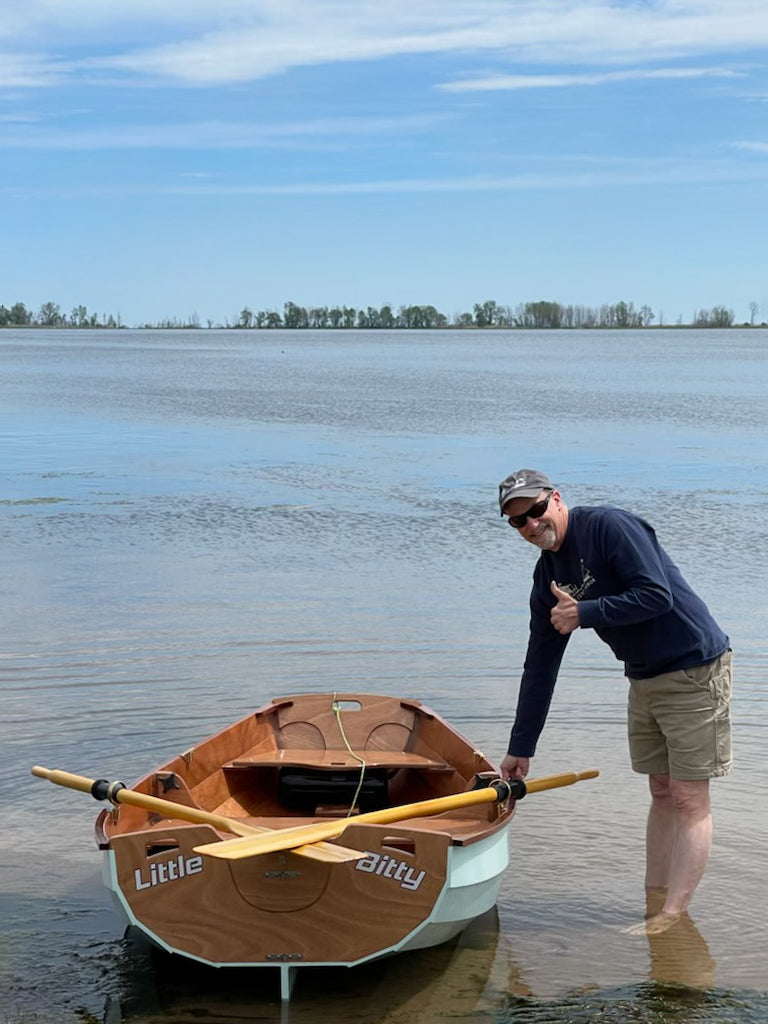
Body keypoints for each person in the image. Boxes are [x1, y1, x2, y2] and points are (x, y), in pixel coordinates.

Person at [497, 468, 732, 934]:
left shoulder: (609, 527)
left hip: (694, 667)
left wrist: (585, 612)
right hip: (643, 677)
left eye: (536, 510)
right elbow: (540, 663)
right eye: (518, 521)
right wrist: (521, 746)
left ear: (556, 499)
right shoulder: (547, 575)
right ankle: (654, 898)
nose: (531, 525)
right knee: (661, 790)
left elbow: (657, 595)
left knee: (689, 796)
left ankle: (672, 915)